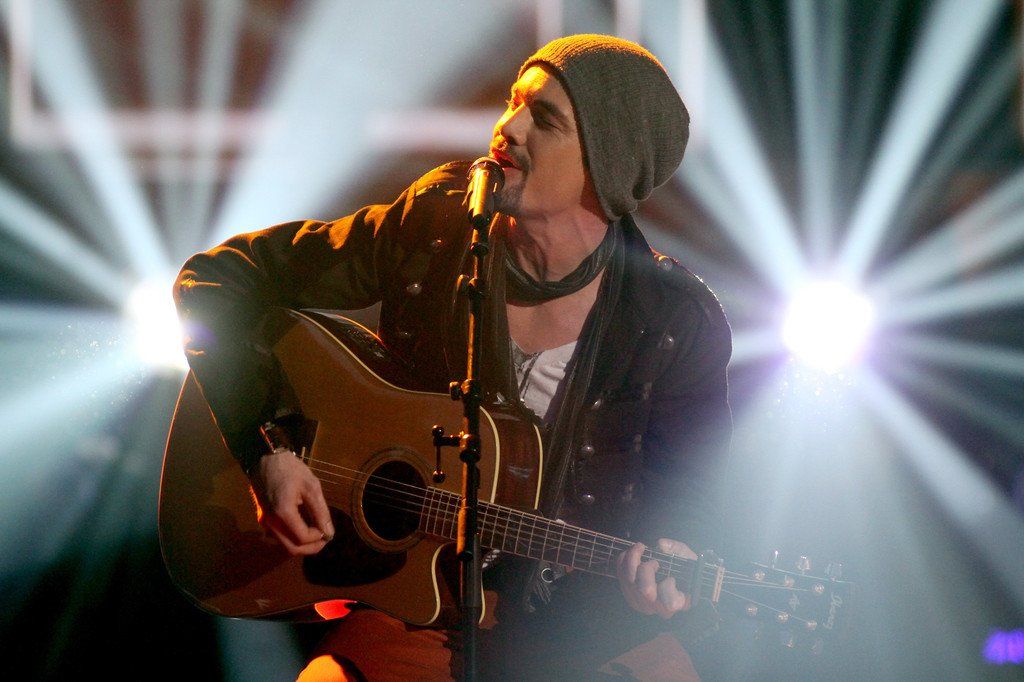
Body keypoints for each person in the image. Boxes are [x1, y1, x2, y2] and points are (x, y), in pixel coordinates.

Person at [174, 34, 732, 680]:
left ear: (604, 168)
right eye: (514, 101)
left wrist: (668, 577)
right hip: (413, 613)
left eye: (545, 119)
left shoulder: (674, 321)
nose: (508, 128)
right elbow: (216, 280)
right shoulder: (437, 225)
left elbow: (700, 505)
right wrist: (266, 450)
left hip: (574, 628)